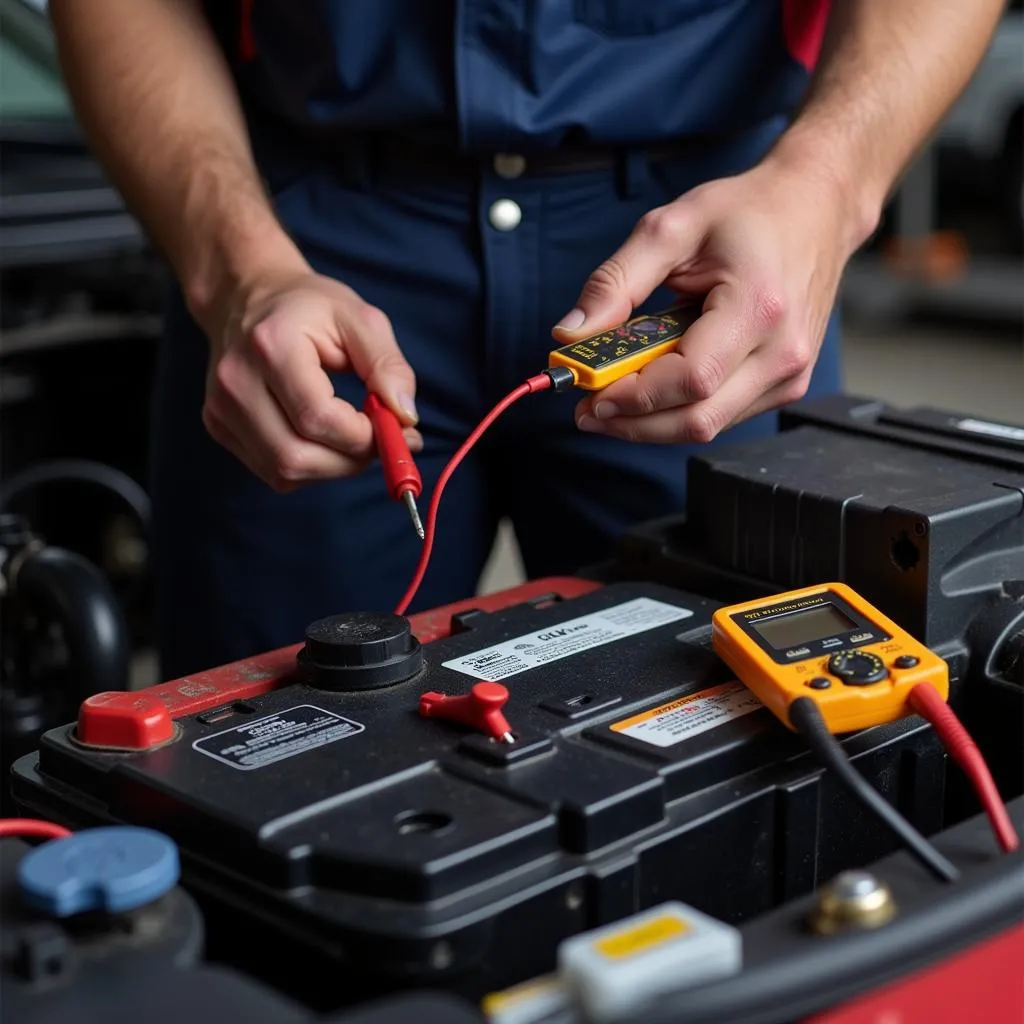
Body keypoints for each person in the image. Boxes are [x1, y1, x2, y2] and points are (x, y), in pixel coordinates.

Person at [48, 1, 1003, 679]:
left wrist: (829, 186)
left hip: (711, 248)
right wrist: (237, 269)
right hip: (302, 244)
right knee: (258, 750)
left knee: (764, 734)